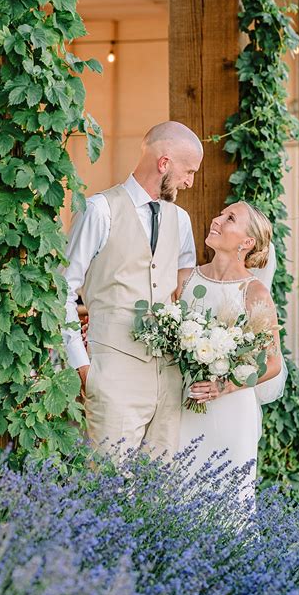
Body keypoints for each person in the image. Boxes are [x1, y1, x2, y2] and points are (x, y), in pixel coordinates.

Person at [62, 121, 203, 459]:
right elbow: (61, 292)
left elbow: (185, 296)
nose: (190, 181)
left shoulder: (181, 221)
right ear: (164, 163)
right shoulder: (98, 210)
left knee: (161, 490)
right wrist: (82, 368)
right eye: (189, 171)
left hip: (169, 378)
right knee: (105, 486)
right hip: (112, 376)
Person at [177, 201, 286, 498]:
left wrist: (221, 387)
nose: (217, 219)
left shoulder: (254, 292)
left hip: (232, 410)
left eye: (230, 218)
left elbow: (272, 362)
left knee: (229, 499)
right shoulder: (186, 280)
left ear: (247, 242)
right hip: (183, 403)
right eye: (221, 214)